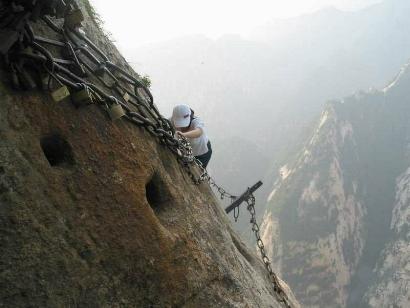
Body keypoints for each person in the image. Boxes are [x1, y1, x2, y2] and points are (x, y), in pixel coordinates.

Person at [171, 104, 212, 168]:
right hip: (187, 151)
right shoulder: (173, 120)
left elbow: (199, 132)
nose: (182, 127)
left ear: (189, 117)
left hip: (202, 152)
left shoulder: (196, 121)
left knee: (199, 171)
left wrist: (184, 135)